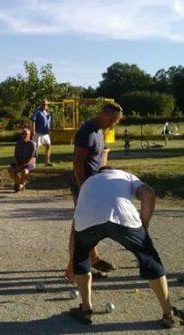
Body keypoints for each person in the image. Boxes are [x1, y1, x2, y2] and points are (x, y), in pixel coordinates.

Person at [68, 167, 184, 328]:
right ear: (114, 170)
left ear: (99, 173)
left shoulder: (88, 182)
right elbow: (148, 194)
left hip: (86, 222)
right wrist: (143, 226)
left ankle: (86, 309)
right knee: (149, 258)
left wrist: (72, 261)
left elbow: (75, 228)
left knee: (81, 257)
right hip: (122, 217)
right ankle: (169, 314)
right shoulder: (126, 176)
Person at [66, 102, 123, 278]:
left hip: (93, 184)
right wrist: (84, 187)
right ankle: (73, 268)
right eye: (112, 120)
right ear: (102, 113)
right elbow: (77, 163)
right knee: (80, 226)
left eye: (116, 121)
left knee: (90, 223)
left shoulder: (98, 131)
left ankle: (93, 258)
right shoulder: (87, 131)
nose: (113, 124)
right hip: (84, 185)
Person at [31, 99, 52, 167]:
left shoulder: (47, 113)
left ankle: (47, 162)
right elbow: (33, 121)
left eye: (46, 104)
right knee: (35, 148)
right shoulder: (37, 112)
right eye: (43, 104)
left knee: (48, 146)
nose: (44, 105)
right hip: (38, 133)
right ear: (40, 104)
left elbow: (48, 123)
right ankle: (32, 164)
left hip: (45, 133)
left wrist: (49, 130)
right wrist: (33, 131)